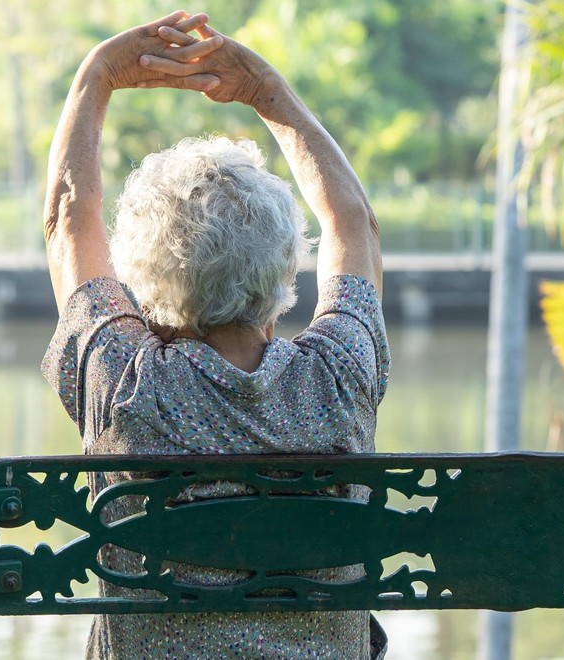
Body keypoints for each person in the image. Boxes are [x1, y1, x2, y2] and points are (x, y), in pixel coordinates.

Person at [40, 11, 389, 659]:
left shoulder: (123, 384)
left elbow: (67, 219)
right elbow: (354, 224)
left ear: (139, 281)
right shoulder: (341, 373)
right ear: (284, 266)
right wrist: (267, 94)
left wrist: (97, 76)